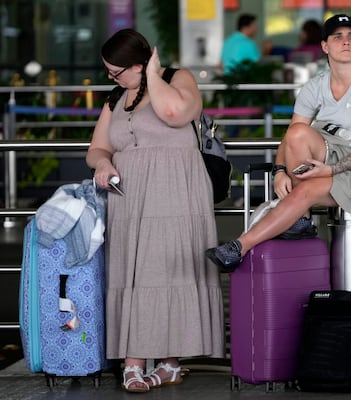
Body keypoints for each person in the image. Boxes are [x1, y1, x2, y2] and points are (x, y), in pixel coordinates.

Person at [206, 14, 351, 272]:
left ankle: (240, 246)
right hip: (333, 157)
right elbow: (291, 136)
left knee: (304, 192)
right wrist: (279, 172)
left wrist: (329, 170)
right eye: (338, 37)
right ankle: (301, 217)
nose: (346, 42)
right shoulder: (315, 86)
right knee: (299, 132)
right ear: (325, 46)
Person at [86, 29, 224, 393]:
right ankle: (144, 361)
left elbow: (176, 113)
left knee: (168, 272)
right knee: (135, 275)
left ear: (139, 63)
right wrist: (102, 164)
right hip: (130, 196)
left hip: (176, 192)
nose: (111, 78)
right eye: (108, 71)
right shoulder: (116, 96)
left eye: (117, 71)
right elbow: (97, 147)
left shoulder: (177, 80)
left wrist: (152, 75)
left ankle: (160, 363)